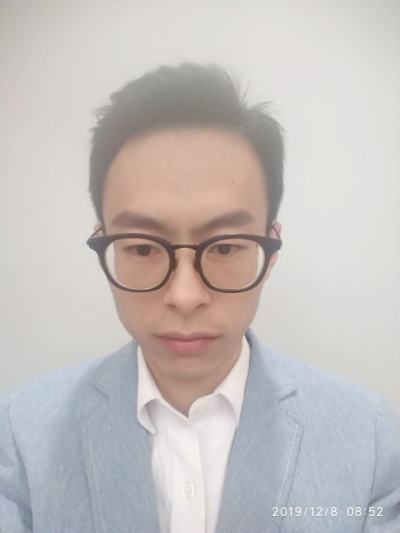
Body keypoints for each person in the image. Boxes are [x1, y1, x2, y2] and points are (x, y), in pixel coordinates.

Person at [0, 62, 399, 533]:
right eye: (143, 248)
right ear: (105, 243)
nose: (185, 297)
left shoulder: (369, 437)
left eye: (225, 247)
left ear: (270, 251)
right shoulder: (23, 433)